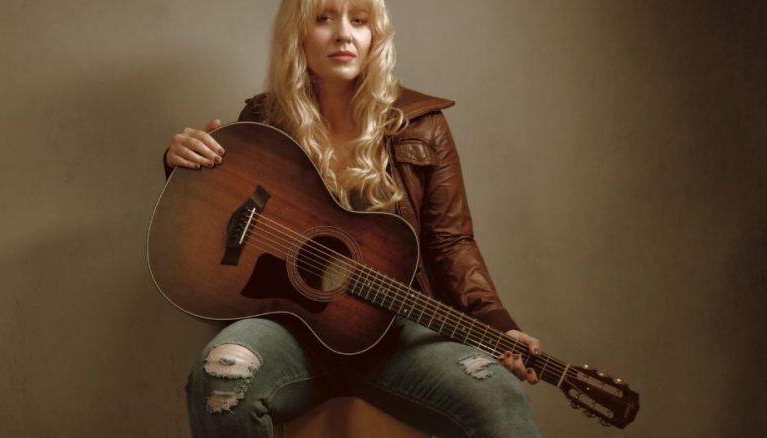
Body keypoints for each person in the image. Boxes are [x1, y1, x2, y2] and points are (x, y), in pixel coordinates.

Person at [163, 1, 543, 436]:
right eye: (324, 18)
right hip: (289, 330)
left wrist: (497, 324)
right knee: (220, 374)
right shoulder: (264, 120)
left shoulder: (423, 125)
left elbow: (451, 242)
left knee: (498, 394)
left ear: (374, 36)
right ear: (298, 35)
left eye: (359, 21)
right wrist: (182, 165)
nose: (344, 34)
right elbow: (218, 211)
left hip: (395, 333)